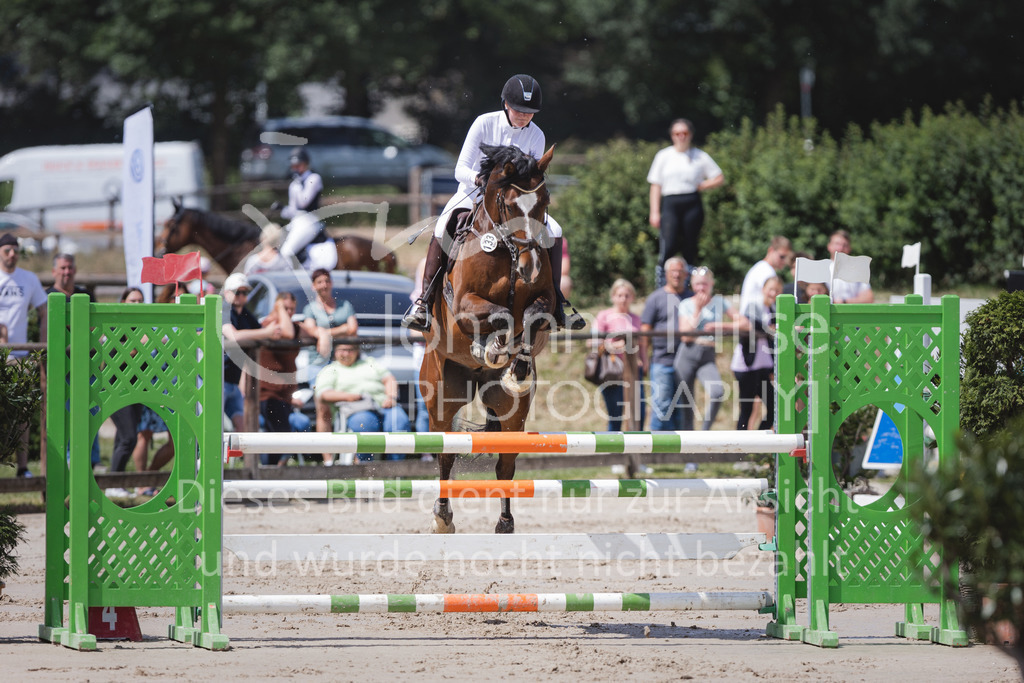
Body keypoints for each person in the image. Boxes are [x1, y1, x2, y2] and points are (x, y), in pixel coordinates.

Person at [402, 74, 584, 332]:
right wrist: (480, 180)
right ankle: (424, 301)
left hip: (514, 201)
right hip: (474, 192)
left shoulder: (536, 135)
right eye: (519, 110)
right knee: (443, 225)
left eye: (529, 112)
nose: (524, 116)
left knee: (555, 229)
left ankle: (557, 301)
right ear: (506, 104)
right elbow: (460, 169)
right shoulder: (484, 123)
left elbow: (531, 176)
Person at [647, 119, 724, 286]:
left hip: (692, 203)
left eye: (684, 133)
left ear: (690, 135)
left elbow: (719, 177)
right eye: (677, 133)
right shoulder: (663, 156)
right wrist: (654, 212)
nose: (681, 136)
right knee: (669, 244)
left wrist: (703, 185)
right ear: (672, 135)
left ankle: (688, 285)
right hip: (670, 203)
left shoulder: (699, 156)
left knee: (690, 245)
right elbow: (655, 185)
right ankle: (662, 285)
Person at [675, 266, 748, 431]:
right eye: (698, 284)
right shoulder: (686, 304)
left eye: (705, 284)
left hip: (707, 355)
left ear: (711, 284)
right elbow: (685, 336)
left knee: (717, 392)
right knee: (686, 404)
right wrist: (698, 310)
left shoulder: (719, 302)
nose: (701, 288)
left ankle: (704, 433)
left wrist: (720, 326)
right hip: (687, 354)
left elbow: (744, 323)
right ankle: (689, 444)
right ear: (692, 285)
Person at [45, 252, 100, 468]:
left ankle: (92, 460)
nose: (66, 272)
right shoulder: (47, 296)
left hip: (87, 365)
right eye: (62, 268)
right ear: (54, 271)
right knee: (67, 416)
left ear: (75, 270)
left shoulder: (86, 295)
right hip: (61, 368)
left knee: (92, 413)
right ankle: (69, 461)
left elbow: (95, 327)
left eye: (69, 267)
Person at [0, 232, 47, 477]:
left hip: (20, 355)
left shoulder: (28, 279)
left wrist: (42, 345)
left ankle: (23, 467)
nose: (12, 255)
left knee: (24, 411)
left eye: (15, 251)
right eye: (7, 250)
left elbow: (44, 311)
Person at [315, 342, 410, 461]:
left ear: (357, 351)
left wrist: (391, 397)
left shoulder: (370, 362)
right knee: (365, 424)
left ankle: (396, 466)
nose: (346, 354)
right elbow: (323, 394)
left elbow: (389, 379)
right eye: (342, 350)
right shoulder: (330, 370)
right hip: (357, 408)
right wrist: (349, 397)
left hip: (384, 405)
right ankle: (365, 465)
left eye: (350, 350)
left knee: (399, 421)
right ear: (335, 352)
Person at [298, 268, 355, 464]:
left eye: (327, 281)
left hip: (343, 363)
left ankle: (350, 456)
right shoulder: (310, 309)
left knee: (349, 406)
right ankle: (328, 458)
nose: (324, 285)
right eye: (320, 282)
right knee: (323, 406)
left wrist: (325, 333)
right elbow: (309, 329)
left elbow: (353, 328)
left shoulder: (344, 305)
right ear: (314, 286)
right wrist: (339, 330)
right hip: (319, 363)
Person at [258, 292, 320, 466]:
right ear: (276, 306)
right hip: (267, 395)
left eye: (292, 309)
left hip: (285, 396)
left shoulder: (293, 326)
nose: (289, 312)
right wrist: (280, 311)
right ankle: (271, 475)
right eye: (285, 308)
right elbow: (286, 333)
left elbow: (311, 334)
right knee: (279, 440)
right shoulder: (269, 325)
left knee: (283, 440)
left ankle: (275, 474)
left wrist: (321, 335)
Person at [221, 273, 282, 433]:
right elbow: (234, 336)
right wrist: (267, 332)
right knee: (211, 428)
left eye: (245, 292)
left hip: (232, 381)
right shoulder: (223, 310)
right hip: (216, 379)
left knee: (242, 427)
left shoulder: (245, 314)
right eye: (238, 292)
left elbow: (261, 331)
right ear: (227, 293)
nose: (241, 296)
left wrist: (273, 326)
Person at [639, 256, 693, 430]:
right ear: (667, 274)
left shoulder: (691, 297)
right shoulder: (656, 298)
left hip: (686, 362)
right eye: (673, 271)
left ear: (686, 274)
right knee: (662, 406)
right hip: (662, 361)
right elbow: (645, 330)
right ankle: (655, 445)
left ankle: (681, 446)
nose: (676, 275)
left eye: (680, 271)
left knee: (683, 409)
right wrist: (644, 358)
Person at [593, 278, 645, 431]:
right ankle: (613, 446)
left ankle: (637, 445)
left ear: (632, 297)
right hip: (613, 370)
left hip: (634, 371)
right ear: (613, 297)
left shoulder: (636, 318)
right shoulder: (604, 316)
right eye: (620, 295)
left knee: (639, 414)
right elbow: (593, 342)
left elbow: (641, 343)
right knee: (616, 416)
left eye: (627, 295)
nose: (623, 299)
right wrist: (616, 346)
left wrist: (643, 360)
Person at [732, 276, 781, 431]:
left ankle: (759, 439)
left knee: (774, 407)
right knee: (746, 409)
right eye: (771, 289)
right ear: (763, 289)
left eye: (777, 290)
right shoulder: (753, 305)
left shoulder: (773, 309)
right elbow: (751, 324)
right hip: (747, 365)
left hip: (763, 365)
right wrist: (770, 329)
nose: (773, 293)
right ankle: (740, 442)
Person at [278, 149, 337, 272]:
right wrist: (282, 210)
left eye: (298, 165)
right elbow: (293, 210)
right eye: (293, 166)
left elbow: (304, 202)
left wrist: (298, 184)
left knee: (286, 252)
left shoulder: (314, 178)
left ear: (306, 164)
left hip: (310, 222)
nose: (295, 168)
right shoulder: (294, 184)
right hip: (297, 222)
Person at [739, 236, 793, 313]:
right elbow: (770, 300)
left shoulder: (762, 268)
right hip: (754, 318)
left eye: (786, 257)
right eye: (782, 257)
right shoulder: (766, 271)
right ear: (771, 250)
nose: (784, 261)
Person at [827, 229, 874, 303]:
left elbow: (868, 298)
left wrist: (843, 302)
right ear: (829, 246)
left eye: (845, 245)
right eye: (837, 244)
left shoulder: (857, 270)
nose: (840, 248)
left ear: (849, 248)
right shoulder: (821, 269)